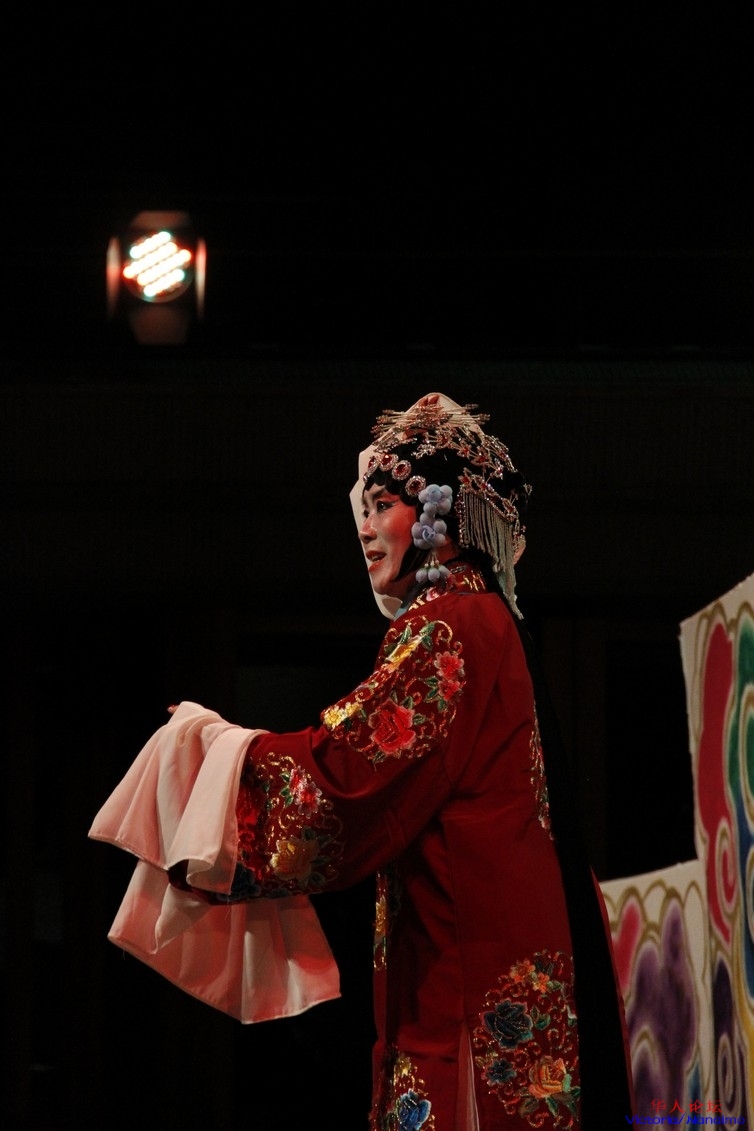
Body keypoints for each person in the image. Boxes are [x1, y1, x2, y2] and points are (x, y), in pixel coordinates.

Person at [91, 393, 634, 1129]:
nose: (366, 527)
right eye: (365, 509)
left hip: (467, 991)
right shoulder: (490, 621)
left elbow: (344, 779)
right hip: (491, 963)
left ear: (442, 514)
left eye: (384, 504)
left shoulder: (449, 627)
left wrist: (210, 751)